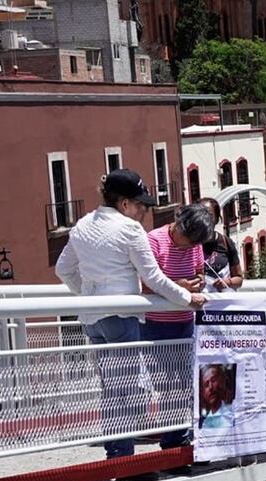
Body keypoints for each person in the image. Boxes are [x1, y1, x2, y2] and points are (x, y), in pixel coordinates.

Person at [55, 169, 207, 460]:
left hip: (91, 317)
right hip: (121, 315)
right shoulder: (129, 229)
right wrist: (189, 298)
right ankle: (122, 458)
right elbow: (155, 278)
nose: (144, 211)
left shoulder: (83, 224)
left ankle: (117, 454)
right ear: (124, 204)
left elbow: (64, 269)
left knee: (111, 387)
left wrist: (88, 295)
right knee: (127, 388)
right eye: (140, 205)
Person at [142, 204, 215, 448]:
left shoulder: (194, 244)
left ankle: (181, 438)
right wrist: (179, 285)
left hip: (186, 323)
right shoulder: (154, 241)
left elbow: (200, 270)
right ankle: (172, 441)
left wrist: (200, 281)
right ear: (179, 224)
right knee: (167, 385)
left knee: (186, 384)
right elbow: (145, 285)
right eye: (187, 241)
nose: (189, 247)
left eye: (195, 244)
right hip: (157, 325)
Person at [199, 197, 244, 292]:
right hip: (199, 302)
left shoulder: (226, 242)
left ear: (217, 218)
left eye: (209, 215)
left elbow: (239, 279)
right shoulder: (189, 244)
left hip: (222, 301)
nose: (205, 219)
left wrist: (227, 282)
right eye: (201, 215)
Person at [198, 364, 236, 429]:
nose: (210, 387)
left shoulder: (232, 411)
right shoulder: (205, 423)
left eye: (213, 380)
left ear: (222, 381)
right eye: (206, 384)